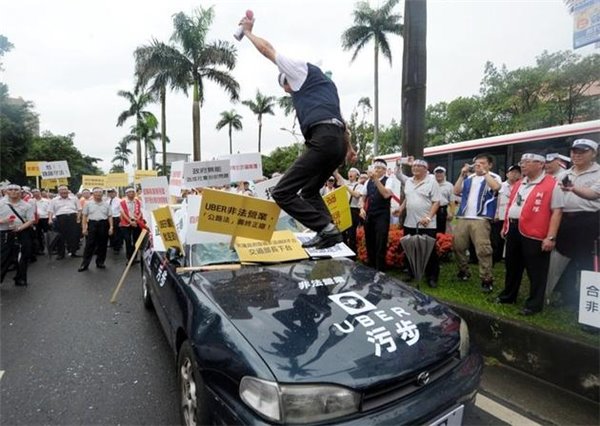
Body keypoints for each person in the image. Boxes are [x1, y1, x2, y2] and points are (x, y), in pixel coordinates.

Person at [239, 15, 356, 249]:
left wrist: (248, 32)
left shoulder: (299, 70)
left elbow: (267, 49)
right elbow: (342, 122)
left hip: (323, 139)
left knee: (282, 192)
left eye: (286, 87)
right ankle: (329, 230)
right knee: (310, 191)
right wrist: (349, 149)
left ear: (288, 77)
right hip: (336, 142)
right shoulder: (327, 86)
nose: (288, 92)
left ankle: (326, 230)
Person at [496, 153, 564, 315]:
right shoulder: (519, 183)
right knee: (512, 265)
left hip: (535, 233)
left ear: (540, 164)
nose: (523, 165)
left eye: (527, 162)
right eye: (522, 162)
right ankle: (508, 295)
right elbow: (512, 205)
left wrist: (551, 236)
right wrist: (505, 226)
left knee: (536, 270)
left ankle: (534, 304)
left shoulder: (552, 184)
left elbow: (557, 212)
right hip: (514, 228)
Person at [554, 139, 600, 307]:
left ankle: (588, 300)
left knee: (588, 261)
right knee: (565, 259)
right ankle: (567, 296)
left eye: (582, 151)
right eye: (574, 151)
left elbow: (594, 194)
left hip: (589, 222)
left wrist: (573, 188)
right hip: (565, 221)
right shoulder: (563, 174)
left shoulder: (598, 172)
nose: (576, 155)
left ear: (593, 153)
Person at [453, 153, 502, 292]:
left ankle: (486, 278)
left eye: (482, 163)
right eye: (476, 163)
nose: (478, 166)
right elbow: (456, 191)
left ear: (490, 165)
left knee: (483, 250)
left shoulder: (493, 176)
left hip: (481, 218)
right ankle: (463, 271)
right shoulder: (469, 178)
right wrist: (462, 175)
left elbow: (496, 188)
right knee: (458, 246)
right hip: (463, 217)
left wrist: (485, 173)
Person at [397, 159, 441, 287]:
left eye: (419, 166)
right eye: (414, 165)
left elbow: (436, 202)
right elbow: (408, 196)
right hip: (409, 222)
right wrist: (400, 208)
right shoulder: (409, 181)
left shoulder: (432, 182)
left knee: (430, 250)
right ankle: (411, 272)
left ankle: (432, 276)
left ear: (426, 169)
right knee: (410, 248)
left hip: (426, 223)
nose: (415, 168)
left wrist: (429, 217)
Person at [360, 159, 394, 271]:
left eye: (379, 168)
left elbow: (385, 194)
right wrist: (361, 208)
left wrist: (375, 179)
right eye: (375, 167)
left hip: (382, 215)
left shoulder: (389, 180)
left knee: (381, 241)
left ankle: (380, 268)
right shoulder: (367, 182)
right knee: (369, 240)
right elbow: (363, 196)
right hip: (370, 214)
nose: (376, 170)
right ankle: (371, 266)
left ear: (384, 170)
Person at [0, 184, 35, 286]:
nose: (13, 191)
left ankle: (20, 278)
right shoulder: (1, 203)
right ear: (6, 192)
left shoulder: (27, 205)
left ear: (21, 192)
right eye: (10, 189)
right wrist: (3, 221)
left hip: (22, 232)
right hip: (4, 232)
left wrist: (19, 228)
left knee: (24, 255)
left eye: (16, 190)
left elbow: (31, 220)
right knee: (4, 256)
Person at [78, 187, 113, 272]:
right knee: (89, 245)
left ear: (102, 194)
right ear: (93, 194)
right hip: (92, 224)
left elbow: (110, 216)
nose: (98, 195)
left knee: (103, 245)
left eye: (100, 193)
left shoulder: (106, 204)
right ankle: (84, 264)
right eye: (96, 193)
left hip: (103, 224)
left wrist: (111, 227)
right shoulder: (88, 204)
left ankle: (100, 262)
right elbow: (84, 216)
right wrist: (84, 228)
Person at [492, 164, 521, 263]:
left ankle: (507, 257)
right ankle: (497, 257)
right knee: (497, 238)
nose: (514, 174)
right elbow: (495, 200)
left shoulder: (521, 186)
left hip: (513, 216)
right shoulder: (501, 186)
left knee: (510, 238)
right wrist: (495, 213)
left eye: (517, 172)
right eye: (512, 172)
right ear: (507, 174)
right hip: (500, 215)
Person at [334, 167, 363, 254]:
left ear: (357, 175)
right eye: (349, 171)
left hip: (353, 210)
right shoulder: (345, 182)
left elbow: (356, 195)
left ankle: (352, 253)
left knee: (351, 234)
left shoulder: (360, 186)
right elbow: (336, 174)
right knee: (342, 233)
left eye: (353, 172)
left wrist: (346, 187)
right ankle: (344, 252)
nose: (350, 173)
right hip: (344, 209)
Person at [48, 185, 81, 259]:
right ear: (59, 192)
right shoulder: (54, 200)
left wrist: (78, 218)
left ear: (68, 190)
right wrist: (50, 219)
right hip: (60, 219)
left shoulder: (74, 198)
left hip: (72, 217)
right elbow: (50, 210)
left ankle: (73, 252)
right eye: (62, 190)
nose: (64, 191)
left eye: (65, 189)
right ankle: (61, 254)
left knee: (73, 236)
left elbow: (79, 209)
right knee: (60, 237)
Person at [120, 187, 144, 262]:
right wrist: (130, 222)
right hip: (126, 223)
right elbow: (122, 213)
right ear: (126, 194)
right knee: (127, 240)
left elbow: (141, 211)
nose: (131, 193)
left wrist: (137, 220)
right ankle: (129, 257)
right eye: (129, 192)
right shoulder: (122, 202)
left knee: (136, 240)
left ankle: (134, 257)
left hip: (136, 222)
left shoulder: (138, 201)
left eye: (132, 192)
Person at [433, 166, 454, 234]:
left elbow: (452, 201)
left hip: (442, 210)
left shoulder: (449, 185)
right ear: (434, 174)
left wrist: (451, 213)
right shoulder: (430, 184)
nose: (439, 174)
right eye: (437, 173)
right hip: (430, 209)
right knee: (431, 229)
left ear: (444, 174)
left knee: (442, 231)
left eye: (441, 173)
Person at [32, 188, 50, 255]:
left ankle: (50, 247)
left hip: (45, 218)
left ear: (40, 192)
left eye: (37, 191)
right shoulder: (31, 201)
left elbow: (50, 210)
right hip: (36, 220)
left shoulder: (46, 201)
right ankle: (40, 249)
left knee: (48, 234)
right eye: (33, 192)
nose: (35, 193)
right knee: (38, 234)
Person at [107, 188, 123, 254]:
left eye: (112, 192)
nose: (111, 194)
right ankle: (112, 244)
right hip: (109, 218)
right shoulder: (107, 201)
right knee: (111, 233)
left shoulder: (120, 201)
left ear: (115, 193)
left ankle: (117, 248)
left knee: (117, 234)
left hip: (117, 218)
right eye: (110, 192)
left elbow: (122, 211)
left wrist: (121, 221)